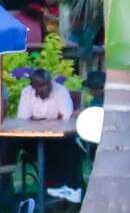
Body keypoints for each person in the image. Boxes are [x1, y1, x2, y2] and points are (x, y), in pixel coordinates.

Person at [17, 69, 82, 202]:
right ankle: (54, 191)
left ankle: (66, 190)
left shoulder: (60, 91)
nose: (45, 88)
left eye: (47, 84)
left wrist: (37, 120)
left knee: (70, 148)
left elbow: (66, 118)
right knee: (41, 148)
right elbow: (23, 120)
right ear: (33, 86)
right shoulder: (27, 93)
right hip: (33, 138)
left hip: (58, 138)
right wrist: (53, 118)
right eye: (40, 86)